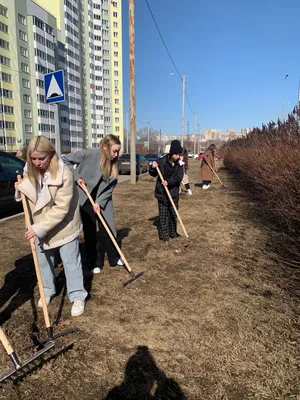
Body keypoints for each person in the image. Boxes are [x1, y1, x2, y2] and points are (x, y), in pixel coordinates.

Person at [14, 135, 87, 317]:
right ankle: (47, 290)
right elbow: (31, 196)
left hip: (64, 224)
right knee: (43, 261)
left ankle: (77, 295)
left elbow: (61, 208)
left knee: (71, 262)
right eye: (33, 158)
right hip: (39, 223)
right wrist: (20, 188)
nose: (37, 162)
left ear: (51, 154)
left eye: (41, 158)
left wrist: (38, 228)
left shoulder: (64, 174)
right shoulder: (29, 169)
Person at [62, 134, 123, 274]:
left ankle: (114, 257)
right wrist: (76, 177)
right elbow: (64, 160)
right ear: (105, 148)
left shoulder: (114, 163)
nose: (116, 154)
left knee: (108, 227)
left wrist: (99, 202)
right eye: (114, 151)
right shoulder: (89, 154)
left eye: (118, 151)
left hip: (102, 198)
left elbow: (111, 186)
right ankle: (94, 262)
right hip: (85, 197)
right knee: (90, 231)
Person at [149, 140, 184, 242]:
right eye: (176, 154)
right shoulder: (162, 161)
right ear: (171, 153)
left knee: (173, 214)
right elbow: (153, 173)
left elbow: (179, 177)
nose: (178, 156)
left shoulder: (180, 164)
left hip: (173, 193)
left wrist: (169, 182)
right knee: (163, 216)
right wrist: (152, 167)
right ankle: (164, 236)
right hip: (162, 194)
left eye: (179, 154)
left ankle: (173, 234)